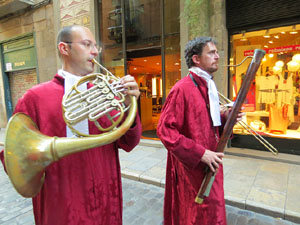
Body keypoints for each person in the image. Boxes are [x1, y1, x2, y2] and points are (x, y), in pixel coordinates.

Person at [0, 25, 142, 225]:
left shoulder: (105, 93)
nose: (94, 51)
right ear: (64, 49)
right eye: (86, 44)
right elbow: (14, 158)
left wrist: (129, 107)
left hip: (104, 195)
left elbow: (129, 143)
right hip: (61, 199)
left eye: (96, 46)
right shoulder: (34, 98)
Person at [157, 37, 243, 225]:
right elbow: (165, 130)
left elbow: (207, 124)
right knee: (197, 215)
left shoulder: (208, 86)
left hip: (211, 165)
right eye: (211, 53)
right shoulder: (182, 88)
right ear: (196, 59)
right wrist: (200, 153)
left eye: (217, 52)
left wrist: (227, 119)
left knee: (212, 213)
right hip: (193, 171)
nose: (217, 56)